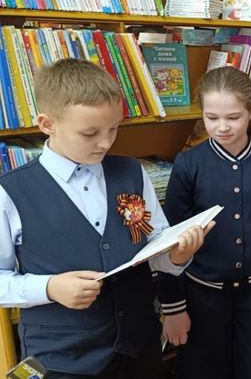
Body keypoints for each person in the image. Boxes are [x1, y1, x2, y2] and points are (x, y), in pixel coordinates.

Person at [0, 59, 209, 378]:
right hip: (63, 361)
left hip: (139, 349)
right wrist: (50, 287)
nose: (105, 142)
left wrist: (177, 256)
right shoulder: (11, 192)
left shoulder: (131, 172)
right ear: (47, 124)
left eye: (113, 129)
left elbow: (154, 248)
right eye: (90, 133)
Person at [158, 67, 251, 378]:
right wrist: (173, 306)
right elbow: (169, 242)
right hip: (201, 296)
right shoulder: (188, 165)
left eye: (233, 117)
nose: (222, 127)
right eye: (211, 117)